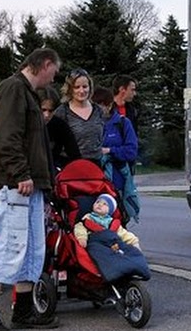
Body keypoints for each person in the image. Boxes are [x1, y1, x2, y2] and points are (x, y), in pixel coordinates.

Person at [0, 48, 62, 331]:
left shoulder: (26, 93)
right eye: (54, 71)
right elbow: (8, 138)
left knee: (32, 247)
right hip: (14, 185)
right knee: (9, 246)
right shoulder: (13, 89)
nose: (54, 77)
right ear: (45, 65)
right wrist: (21, 173)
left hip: (29, 185)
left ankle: (22, 309)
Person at [93, 87, 140, 222]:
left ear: (109, 105)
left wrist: (110, 151)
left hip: (117, 183)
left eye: (102, 106)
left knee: (117, 224)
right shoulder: (90, 125)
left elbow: (131, 151)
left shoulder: (122, 123)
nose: (99, 110)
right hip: (95, 183)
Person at [53, 68, 105, 163]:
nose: (81, 91)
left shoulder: (99, 111)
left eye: (85, 86)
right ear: (70, 89)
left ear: (90, 87)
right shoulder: (62, 112)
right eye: (76, 87)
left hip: (95, 165)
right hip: (70, 165)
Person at [38, 85, 80, 171]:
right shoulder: (24, 125)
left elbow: (74, 153)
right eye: (43, 110)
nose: (47, 115)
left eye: (51, 111)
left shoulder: (59, 126)